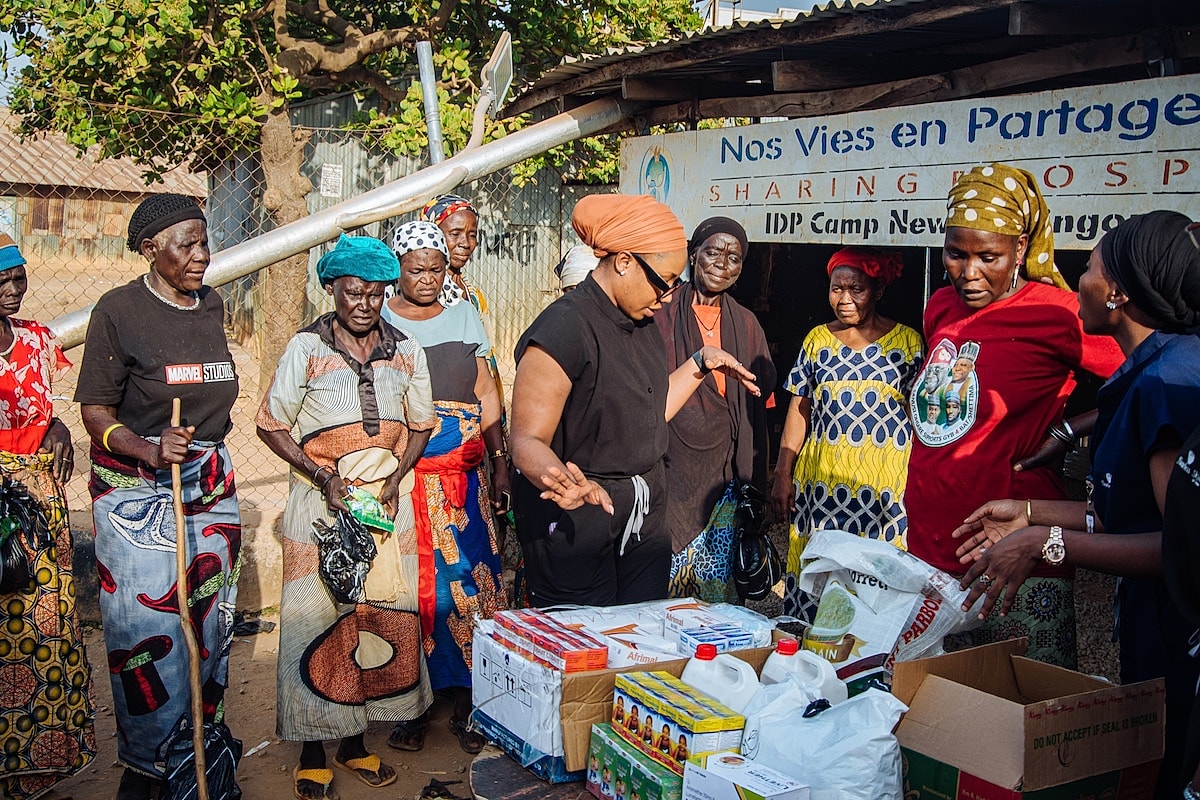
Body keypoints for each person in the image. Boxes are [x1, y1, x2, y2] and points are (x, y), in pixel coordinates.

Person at [955, 211, 1200, 799]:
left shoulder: (1172, 384)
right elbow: (1126, 515)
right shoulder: (1147, 374)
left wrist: (1047, 542)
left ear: (1117, 291)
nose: (1076, 276)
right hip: (1150, 627)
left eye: (1088, 266)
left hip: (1180, 636)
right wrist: (1029, 512)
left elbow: (1180, 544)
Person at [902, 163, 1124, 668]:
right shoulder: (940, 306)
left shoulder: (1059, 313)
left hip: (1012, 547)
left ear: (1020, 249)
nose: (970, 272)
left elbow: (1149, 375)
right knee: (937, 709)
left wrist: (1071, 429)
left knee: (1020, 712)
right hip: (930, 539)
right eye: (956, 254)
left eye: (988, 256)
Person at [510, 194, 759, 607]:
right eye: (662, 281)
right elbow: (527, 441)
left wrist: (700, 363)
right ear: (624, 261)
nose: (667, 296)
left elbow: (650, 412)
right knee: (587, 644)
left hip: (644, 510)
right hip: (581, 509)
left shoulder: (641, 320)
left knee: (641, 628)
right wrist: (562, 481)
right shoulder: (564, 328)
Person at [256, 234, 436, 800]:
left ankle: (356, 744)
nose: (364, 303)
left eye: (375, 294)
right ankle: (312, 749)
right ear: (332, 289)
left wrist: (396, 476)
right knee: (316, 621)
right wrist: (324, 478)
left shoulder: (407, 350)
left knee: (373, 620)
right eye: (352, 292)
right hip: (320, 508)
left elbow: (423, 423)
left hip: (383, 511)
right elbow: (270, 423)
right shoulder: (304, 349)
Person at [74, 194, 241, 799]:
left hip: (211, 486)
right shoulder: (118, 311)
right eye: (186, 245)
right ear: (150, 249)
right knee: (146, 634)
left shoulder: (212, 305)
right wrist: (146, 449)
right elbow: (94, 410)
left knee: (211, 623)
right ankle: (149, 770)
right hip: (140, 492)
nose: (201, 256)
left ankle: (201, 755)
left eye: (205, 242)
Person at [381, 221, 507, 755]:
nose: (428, 278)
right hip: (404, 476)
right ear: (398, 271)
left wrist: (499, 460)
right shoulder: (377, 319)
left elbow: (486, 391)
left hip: (464, 482)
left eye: (435, 268)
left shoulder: (463, 315)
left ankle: (466, 701)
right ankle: (411, 703)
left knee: (470, 582)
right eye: (416, 269)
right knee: (412, 586)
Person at [770, 246, 923, 619]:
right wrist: (782, 472)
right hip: (821, 489)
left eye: (857, 289)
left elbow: (921, 417)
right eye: (837, 288)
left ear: (878, 292)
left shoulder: (909, 344)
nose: (844, 299)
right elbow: (799, 410)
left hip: (884, 489)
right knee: (818, 571)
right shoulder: (817, 341)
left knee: (875, 581)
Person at [0, 234, 96, 800]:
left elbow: (44, 413)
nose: (14, 291)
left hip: (37, 504)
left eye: (18, 279)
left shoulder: (36, 341)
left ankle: (35, 769)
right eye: (1, 284)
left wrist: (57, 427)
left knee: (43, 629)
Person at [658, 217, 775, 602]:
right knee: (663, 586)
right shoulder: (663, 314)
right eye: (712, 252)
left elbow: (761, 399)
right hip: (669, 461)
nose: (722, 264)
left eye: (734, 257)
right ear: (694, 254)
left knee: (716, 585)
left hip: (725, 470)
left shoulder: (746, 323)